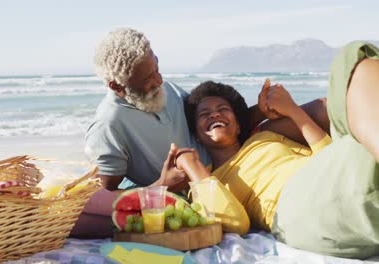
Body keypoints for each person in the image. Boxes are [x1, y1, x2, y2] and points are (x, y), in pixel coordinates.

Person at [70, 27, 329, 238]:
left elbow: (212, 121)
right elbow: (106, 194)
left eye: (157, 68)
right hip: (195, 187)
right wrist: (163, 186)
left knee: (320, 109)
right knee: (83, 217)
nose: (159, 80)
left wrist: (261, 111)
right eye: (148, 80)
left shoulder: (166, 89)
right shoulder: (109, 124)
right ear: (118, 86)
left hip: (235, 153)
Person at [173, 42, 379, 259]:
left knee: (355, 59)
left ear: (239, 124)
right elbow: (236, 221)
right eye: (205, 114)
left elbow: (327, 156)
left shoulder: (264, 137)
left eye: (223, 109)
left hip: (330, 175)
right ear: (196, 134)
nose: (215, 115)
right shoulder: (207, 181)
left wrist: (291, 110)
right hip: (295, 209)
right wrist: (190, 163)